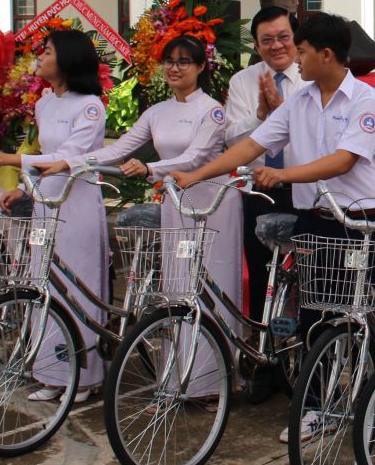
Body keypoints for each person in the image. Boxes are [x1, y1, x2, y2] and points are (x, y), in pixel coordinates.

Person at [173, 11, 375, 443]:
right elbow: (254, 144)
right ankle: (316, 408)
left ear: (326, 55)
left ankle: (374, 409)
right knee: (313, 318)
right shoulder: (300, 100)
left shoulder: (366, 100)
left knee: (362, 317)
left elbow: (344, 161)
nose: (296, 59)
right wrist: (196, 174)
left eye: (303, 51)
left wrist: (284, 176)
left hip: (360, 221)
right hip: (315, 219)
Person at [45, 34, 242, 321]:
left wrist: (150, 169)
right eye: (169, 62)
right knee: (177, 278)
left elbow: (194, 157)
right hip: (175, 201)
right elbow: (120, 148)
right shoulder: (157, 112)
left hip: (212, 204)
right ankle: (179, 359)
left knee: (212, 276)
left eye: (184, 62)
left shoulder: (211, 110)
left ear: (201, 67)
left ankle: (217, 356)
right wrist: (68, 162)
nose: (175, 68)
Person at [0, 30, 110, 403]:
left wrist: (10, 159)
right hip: (45, 200)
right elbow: (42, 155)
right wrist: (22, 187)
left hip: (77, 201)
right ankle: (50, 372)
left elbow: (67, 156)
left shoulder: (90, 107)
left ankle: (84, 376)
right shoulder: (43, 104)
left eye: (47, 51)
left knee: (76, 284)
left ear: (66, 58)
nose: (40, 56)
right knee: (44, 283)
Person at [223, 5, 306, 390]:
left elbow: (311, 135)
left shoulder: (310, 77)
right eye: (266, 40)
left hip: (302, 187)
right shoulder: (244, 81)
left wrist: (283, 112)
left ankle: (305, 363)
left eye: (283, 36)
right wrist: (261, 115)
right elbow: (233, 141)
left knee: (306, 277)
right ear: (256, 45)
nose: (276, 46)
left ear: (295, 37)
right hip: (258, 190)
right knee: (263, 275)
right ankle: (265, 361)